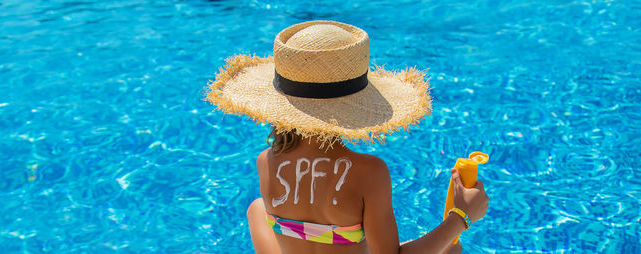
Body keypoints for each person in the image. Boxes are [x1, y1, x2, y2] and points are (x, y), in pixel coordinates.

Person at [206, 20, 489, 254]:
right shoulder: (369, 172)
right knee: (451, 251)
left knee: (257, 209)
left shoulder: (265, 161)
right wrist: (460, 217)